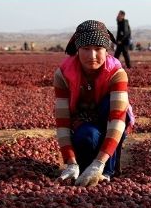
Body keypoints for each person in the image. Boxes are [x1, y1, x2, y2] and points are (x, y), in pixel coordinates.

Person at [54, 20, 135, 187]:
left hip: (110, 119)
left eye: (98, 49)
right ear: (77, 50)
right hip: (83, 120)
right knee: (87, 137)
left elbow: (118, 119)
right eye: (86, 49)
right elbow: (62, 122)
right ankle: (83, 165)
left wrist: (99, 164)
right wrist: (70, 161)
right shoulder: (63, 74)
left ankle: (108, 170)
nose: (92, 56)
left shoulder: (117, 73)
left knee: (113, 109)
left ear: (106, 50)